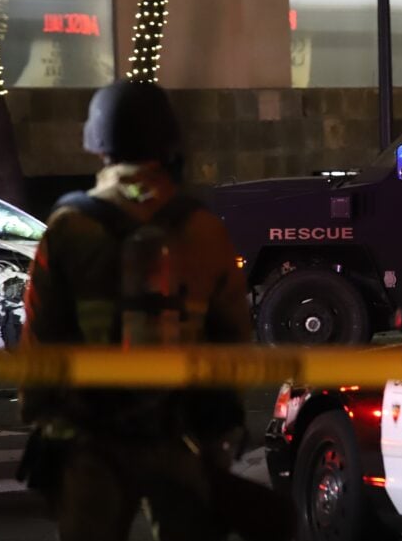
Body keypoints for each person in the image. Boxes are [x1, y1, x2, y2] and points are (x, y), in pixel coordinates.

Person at [18, 78, 293, 541]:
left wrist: (44, 419)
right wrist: (220, 428)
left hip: (89, 440)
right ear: (167, 141)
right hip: (179, 439)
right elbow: (232, 337)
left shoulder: (70, 225)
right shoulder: (203, 228)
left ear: (97, 142)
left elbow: (39, 335)